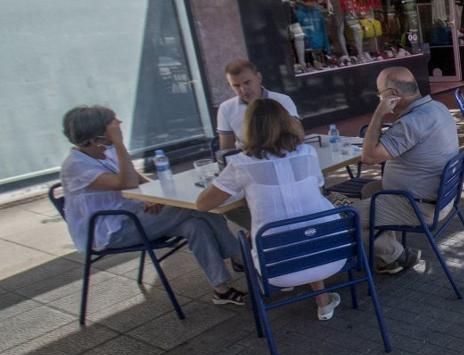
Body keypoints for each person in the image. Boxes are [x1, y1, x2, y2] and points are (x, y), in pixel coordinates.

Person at [59, 106, 246, 306]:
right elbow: (127, 183)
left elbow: (140, 180)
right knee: (198, 205)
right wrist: (120, 143)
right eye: (112, 124)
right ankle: (238, 256)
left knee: (195, 224)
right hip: (114, 229)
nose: (119, 124)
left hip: (137, 214)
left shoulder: (106, 151)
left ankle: (222, 289)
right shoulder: (76, 166)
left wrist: (155, 197)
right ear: (97, 137)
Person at [196, 99, 343, 320]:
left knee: (267, 233)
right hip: (332, 255)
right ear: (288, 123)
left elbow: (203, 204)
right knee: (305, 222)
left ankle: (301, 296)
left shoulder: (241, 163)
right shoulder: (308, 153)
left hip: (277, 268)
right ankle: (323, 302)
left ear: (249, 129)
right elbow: (317, 186)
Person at [356, 67, 460, 274]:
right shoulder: (437, 108)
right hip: (440, 198)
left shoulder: (413, 122)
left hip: (418, 205)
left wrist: (378, 113)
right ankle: (388, 256)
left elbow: (368, 157)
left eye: (380, 93)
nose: (379, 98)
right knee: (369, 190)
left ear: (392, 95)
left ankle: (396, 255)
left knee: (346, 218)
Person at [216, 59, 299, 152]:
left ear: (258, 78)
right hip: (247, 160)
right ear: (229, 86)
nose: (243, 89)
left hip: (281, 154)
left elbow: (297, 136)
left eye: (247, 82)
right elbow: (227, 150)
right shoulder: (226, 108)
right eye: (236, 86)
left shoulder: (282, 100)